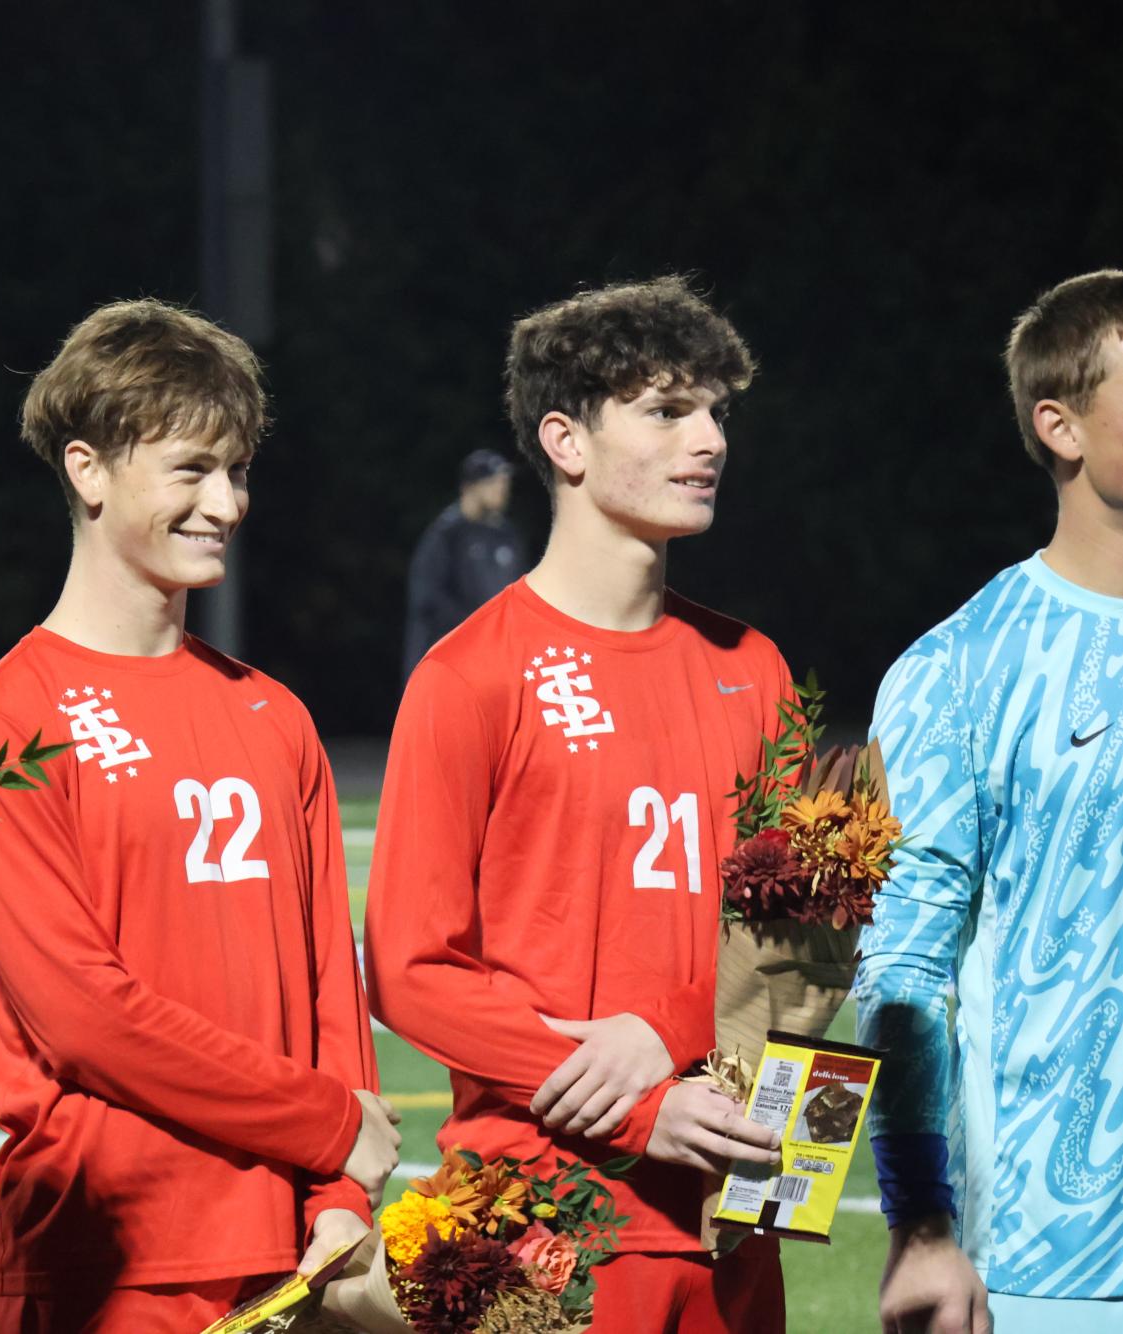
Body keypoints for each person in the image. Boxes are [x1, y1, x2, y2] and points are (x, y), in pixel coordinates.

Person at [0, 298, 400, 1333]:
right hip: (102, 1255)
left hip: (288, 1253)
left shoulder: (273, 715)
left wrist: (338, 1198)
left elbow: (328, 978)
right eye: (191, 470)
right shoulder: (3, 718)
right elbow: (84, 1016)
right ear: (87, 468)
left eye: (236, 471)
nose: (226, 503)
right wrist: (328, 1126)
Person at [365, 277, 793, 1331]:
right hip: (541, 1223)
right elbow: (412, 967)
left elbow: (804, 930)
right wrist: (640, 1097)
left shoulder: (757, 668)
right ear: (565, 439)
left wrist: (670, 1026)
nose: (708, 440)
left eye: (715, 412)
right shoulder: (470, 675)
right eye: (665, 410)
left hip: (737, 1216)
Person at [856, 271, 1123, 1334]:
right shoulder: (959, 666)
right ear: (1059, 424)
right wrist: (921, 1224)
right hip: (1050, 1264)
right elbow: (904, 968)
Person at [401, 447, 530, 679]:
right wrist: (480, 624)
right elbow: (427, 598)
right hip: (447, 660)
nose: (502, 488)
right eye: (492, 481)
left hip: (494, 660)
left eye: (504, 481)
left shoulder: (507, 535)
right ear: (470, 487)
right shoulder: (447, 534)